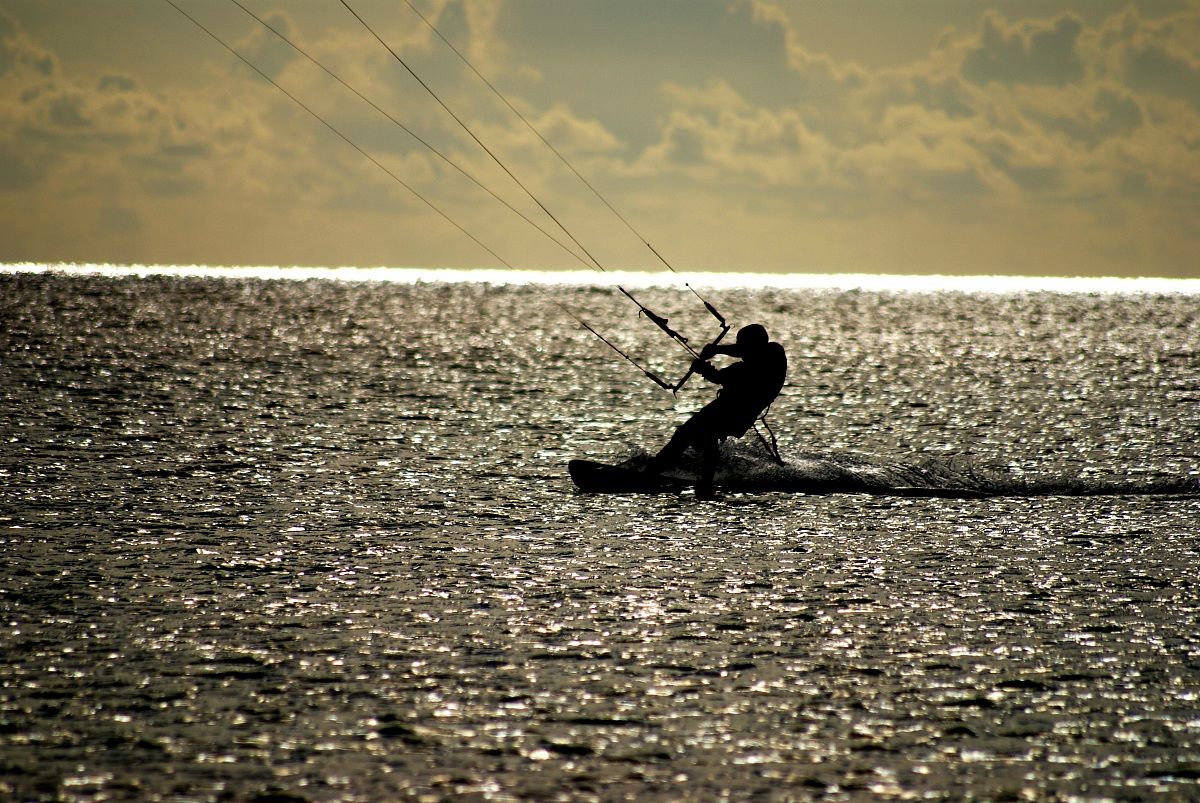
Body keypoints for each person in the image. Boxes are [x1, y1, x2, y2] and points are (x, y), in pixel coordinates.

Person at [645, 323, 786, 497]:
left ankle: (695, 481)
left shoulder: (773, 355)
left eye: (742, 345)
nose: (740, 351)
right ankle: (664, 473)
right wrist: (711, 362)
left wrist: (712, 357)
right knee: (693, 435)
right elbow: (727, 370)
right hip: (729, 408)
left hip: (738, 412)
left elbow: (727, 373)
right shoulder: (752, 362)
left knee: (697, 434)